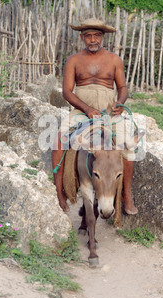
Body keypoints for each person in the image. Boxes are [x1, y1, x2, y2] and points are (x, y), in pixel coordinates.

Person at [52, 18, 138, 215]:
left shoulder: (114, 60)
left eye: (96, 36)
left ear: (102, 37)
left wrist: (120, 104)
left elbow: (122, 87)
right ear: (82, 38)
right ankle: (59, 192)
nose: (93, 40)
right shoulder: (74, 60)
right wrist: (87, 109)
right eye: (89, 36)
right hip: (81, 112)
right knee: (59, 139)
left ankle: (126, 194)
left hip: (109, 112)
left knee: (129, 145)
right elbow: (67, 92)